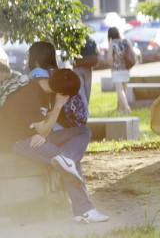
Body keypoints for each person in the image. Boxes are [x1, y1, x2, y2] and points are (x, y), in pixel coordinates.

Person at [0, 69, 108, 223]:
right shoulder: (31, 94)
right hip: (19, 142)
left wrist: (43, 133)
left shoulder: (46, 84)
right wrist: (58, 105)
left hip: (36, 137)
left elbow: (44, 128)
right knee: (65, 164)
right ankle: (84, 210)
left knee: (83, 132)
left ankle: (66, 158)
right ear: (63, 94)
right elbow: (43, 129)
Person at [28, 41, 88, 128]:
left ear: (34, 57)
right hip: (66, 122)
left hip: (50, 124)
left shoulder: (37, 73)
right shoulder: (58, 74)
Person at [106, 27, 131, 114]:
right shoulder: (125, 41)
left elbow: (109, 57)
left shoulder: (112, 43)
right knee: (124, 90)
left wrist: (111, 62)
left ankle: (127, 108)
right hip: (126, 68)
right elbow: (133, 53)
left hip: (116, 69)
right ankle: (121, 109)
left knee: (120, 91)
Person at [73, 35, 99, 105]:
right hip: (88, 68)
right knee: (88, 90)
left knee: (80, 91)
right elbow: (97, 52)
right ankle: (86, 107)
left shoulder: (74, 41)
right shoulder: (91, 41)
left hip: (77, 67)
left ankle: (82, 108)